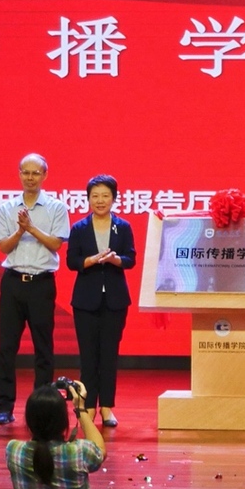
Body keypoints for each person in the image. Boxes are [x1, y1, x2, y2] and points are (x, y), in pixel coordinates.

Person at [0, 153, 70, 426]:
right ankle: (4, 406)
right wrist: (19, 231)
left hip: (41, 284)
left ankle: (42, 405)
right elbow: (3, 247)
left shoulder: (56, 207)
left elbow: (56, 244)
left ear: (45, 175)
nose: (30, 177)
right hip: (13, 282)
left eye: (36, 173)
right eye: (25, 172)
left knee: (43, 347)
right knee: (6, 347)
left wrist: (31, 228)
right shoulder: (7, 207)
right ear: (19, 174)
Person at [66, 174, 136, 427]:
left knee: (109, 356)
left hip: (115, 301)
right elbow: (71, 261)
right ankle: (87, 406)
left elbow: (130, 259)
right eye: (95, 196)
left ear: (114, 198)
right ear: (87, 199)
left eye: (105, 195)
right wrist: (91, 260)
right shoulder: (79, 228)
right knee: (88, 357)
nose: (100, 200)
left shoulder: (123, 227)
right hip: (85, 301)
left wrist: (116, 260)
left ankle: (107, 407)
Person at [6, 381, 106, 489]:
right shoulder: (80, 451)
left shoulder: (13, 450)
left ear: (29, 420)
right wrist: (80, 408)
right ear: (64, 421)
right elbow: (101, 450)